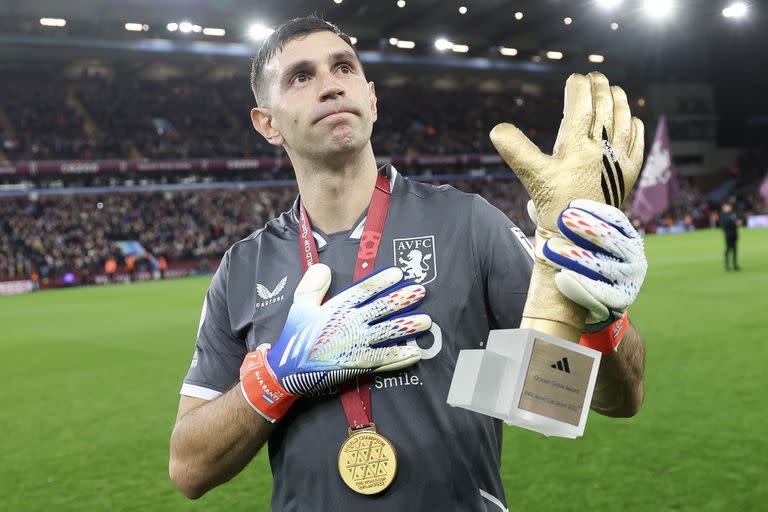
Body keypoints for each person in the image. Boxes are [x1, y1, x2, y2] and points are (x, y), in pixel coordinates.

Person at [169, 16, 647, 510]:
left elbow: (597, 397)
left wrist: (601, 320)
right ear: (267, 123)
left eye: (343, 68)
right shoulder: (244, 267)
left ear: (371, 98)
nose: (330, 86)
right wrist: (275, 380)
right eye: (301, 77)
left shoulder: (466, 223)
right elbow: (189, 469)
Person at [721, 202, 741, 271]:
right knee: (728, 249)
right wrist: (735, 224)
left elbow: (736, 221)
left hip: (734, 234)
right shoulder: (723, 216)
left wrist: (738, 223)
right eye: (726, 207)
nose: (728, 208)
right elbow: (725, 225)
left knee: (735, 250)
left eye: (728, 207)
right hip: (728, 234)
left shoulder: (733, 214)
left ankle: (735, 265)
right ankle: (727, 266)